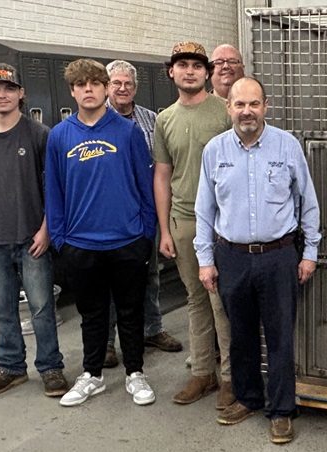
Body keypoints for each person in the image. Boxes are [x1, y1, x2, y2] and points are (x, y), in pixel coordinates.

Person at [196, 77, 321, 444]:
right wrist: (206, 260)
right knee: (241, 334)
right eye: (240, 104)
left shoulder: (287, 145)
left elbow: (308, 202)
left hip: (278, 256)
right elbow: (205, 210)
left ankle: (281, 410)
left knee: (280, 336)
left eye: (254, 104)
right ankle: (249, 398)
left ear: (266, 106)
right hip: (231, 256)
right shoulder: (215, 151)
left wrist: (310, 253)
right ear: (228, 107)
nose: (247, 111)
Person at [44, 58, 157, 407]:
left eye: (95, 83)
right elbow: (53, 190)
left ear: (106, 88)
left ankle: (135, 372)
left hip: (128, 241)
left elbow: (146, 185)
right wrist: (60, 239)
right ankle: (92, 375)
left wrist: (146, 233)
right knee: (92, 315)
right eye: (81, 85)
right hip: (80, 244)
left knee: (130, 311)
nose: (88, 90)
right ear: (72, 91)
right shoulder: (59, 136)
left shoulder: (127, 132)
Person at [0, 63, 67, 398]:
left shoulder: (39, 134)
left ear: (21, 93)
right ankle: (11, 367)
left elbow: (55, 186)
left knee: (42, 309)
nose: (2, 94)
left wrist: (46, 230)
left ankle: (50, 367)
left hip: (33, 240)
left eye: (9, 88)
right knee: (3, 311)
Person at [153, 41, 236, 409]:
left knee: (221, 302)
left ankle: (231, 377)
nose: (189, 71)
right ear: (171, 71)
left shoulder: (224, 112)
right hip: (184, 221)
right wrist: (165, 229)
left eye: (197, 65)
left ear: (207, 72)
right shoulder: (165, 119)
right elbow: (162, 174)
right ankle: (203, 373)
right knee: (196, 299)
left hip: (223, 223)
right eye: (182, 65)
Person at [103, 59, 182, 370]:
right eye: (116, 83)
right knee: (109, 281)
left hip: (145, 211)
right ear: (107, 87)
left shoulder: (152, 120)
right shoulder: (96, 119)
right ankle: (107, 343)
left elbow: (163, 167)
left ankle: (152, 329)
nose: (122, 88)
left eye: (128, 84)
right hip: (111, 215)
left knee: (150, 274)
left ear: (135, 88)